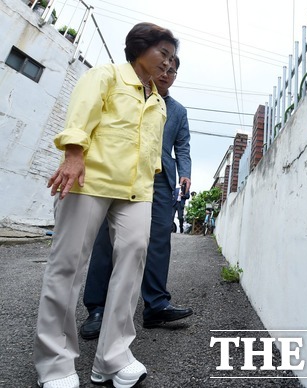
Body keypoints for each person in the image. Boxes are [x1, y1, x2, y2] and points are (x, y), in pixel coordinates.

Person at [33, 23, 178, 388]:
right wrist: (72, 155)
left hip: (137, 192)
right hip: (89, 182)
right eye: (163, 53)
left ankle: (112, 358)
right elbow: (80, 119)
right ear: (139, 48)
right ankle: (55, 365)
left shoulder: (159, 103)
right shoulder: (106, 76)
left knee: (131, 266)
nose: (168, 63)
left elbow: (150, 152)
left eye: (173, 59)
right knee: (66, 267)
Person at [79, 55, 192, 342]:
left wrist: (185, 173)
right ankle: (98, 308)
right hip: (124, 172)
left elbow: (183, 146)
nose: (168, 74)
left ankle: (155, 306)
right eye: (164, 67)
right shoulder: (129, 92)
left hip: (161, 181)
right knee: (109, 240)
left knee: (157, 243)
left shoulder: (178, 111)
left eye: (174, 71)